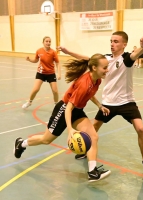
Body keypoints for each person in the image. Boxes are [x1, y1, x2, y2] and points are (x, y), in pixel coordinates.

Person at [58, 31, 143, 171]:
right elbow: (87, 59)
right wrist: (67, 51)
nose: (112, 44)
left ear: (124, 44)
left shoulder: (126, 59)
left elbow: (134, 55)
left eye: (116, 41)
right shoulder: (105, 59)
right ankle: (84, 149)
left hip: (127, 102)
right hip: (108, 103)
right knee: (92, 129)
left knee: (141, 129)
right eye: (111, 41)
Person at [14, 54, 111, 182]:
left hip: (77, 111)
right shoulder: (84, 83)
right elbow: (69, 107)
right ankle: (22, 143)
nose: (107, 70)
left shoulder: (96, 80)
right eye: (104, 67)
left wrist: (100, 106)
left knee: (93, 136)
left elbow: (90, 94)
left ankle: (92, 172)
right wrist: (70, 129)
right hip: (64, 109)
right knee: (46, 139)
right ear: (94, 67)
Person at [22, 36, 61, 109]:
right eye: (46, 41)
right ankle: (29, 102)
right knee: (35, 89)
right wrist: (29, 59)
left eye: (49, 41)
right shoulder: (39, 51)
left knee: (55, 91)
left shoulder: (53, 52)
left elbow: (57, 63)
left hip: (51, 73)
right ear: (43, 42)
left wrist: (59, 73)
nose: (48, 43)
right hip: (41, 73)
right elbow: (36, 60)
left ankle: (56, 105)